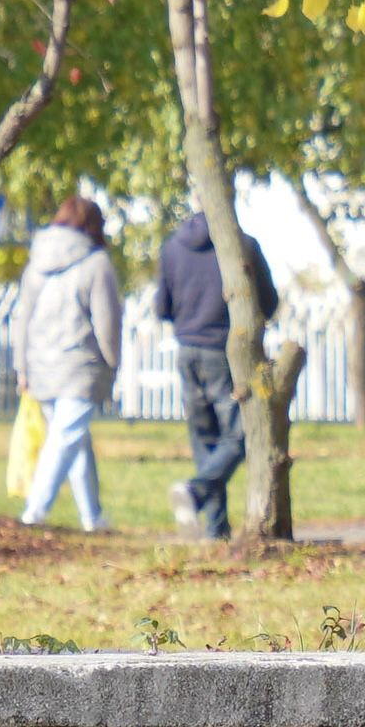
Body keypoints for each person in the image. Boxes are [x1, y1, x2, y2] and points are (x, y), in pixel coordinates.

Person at [152, 208, 279, 540]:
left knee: (204, 439)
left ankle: (215, 529)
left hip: (187, 351)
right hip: (224, 352)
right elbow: (270, 302)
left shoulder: (171, 247)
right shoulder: (243, 245)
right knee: (238, 437)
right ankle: (195, 492)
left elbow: (161, 308)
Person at [13, 197, 122, 531]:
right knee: (65, 438)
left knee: (74, 439)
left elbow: (22, 318)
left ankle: (92, 516)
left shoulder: (36, 262)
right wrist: (113, 362)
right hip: (80, 366)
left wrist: (21, 367)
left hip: (40, 365)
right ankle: (35, 511)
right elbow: (107, 321)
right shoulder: (97, 262)